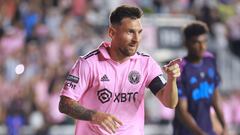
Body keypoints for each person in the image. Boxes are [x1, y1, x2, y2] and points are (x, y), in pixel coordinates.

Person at [59, 5, 181, 135]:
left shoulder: (146, 63)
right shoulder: (88, 63)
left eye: (139, 32)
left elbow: (170, 103)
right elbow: (65, 104)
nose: (136, 39)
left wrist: (172, 79)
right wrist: (94, 115)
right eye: (130, 32)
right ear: (112, 32)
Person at [172, 21, 227, 135]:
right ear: (186, 43)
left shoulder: (210, 61)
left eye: (204, 42)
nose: (202, 47)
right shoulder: (181, 69)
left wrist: (224, 126)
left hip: (208, 130)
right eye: (196, 42)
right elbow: (181, 111)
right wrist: (200, 134)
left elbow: (215, 97)